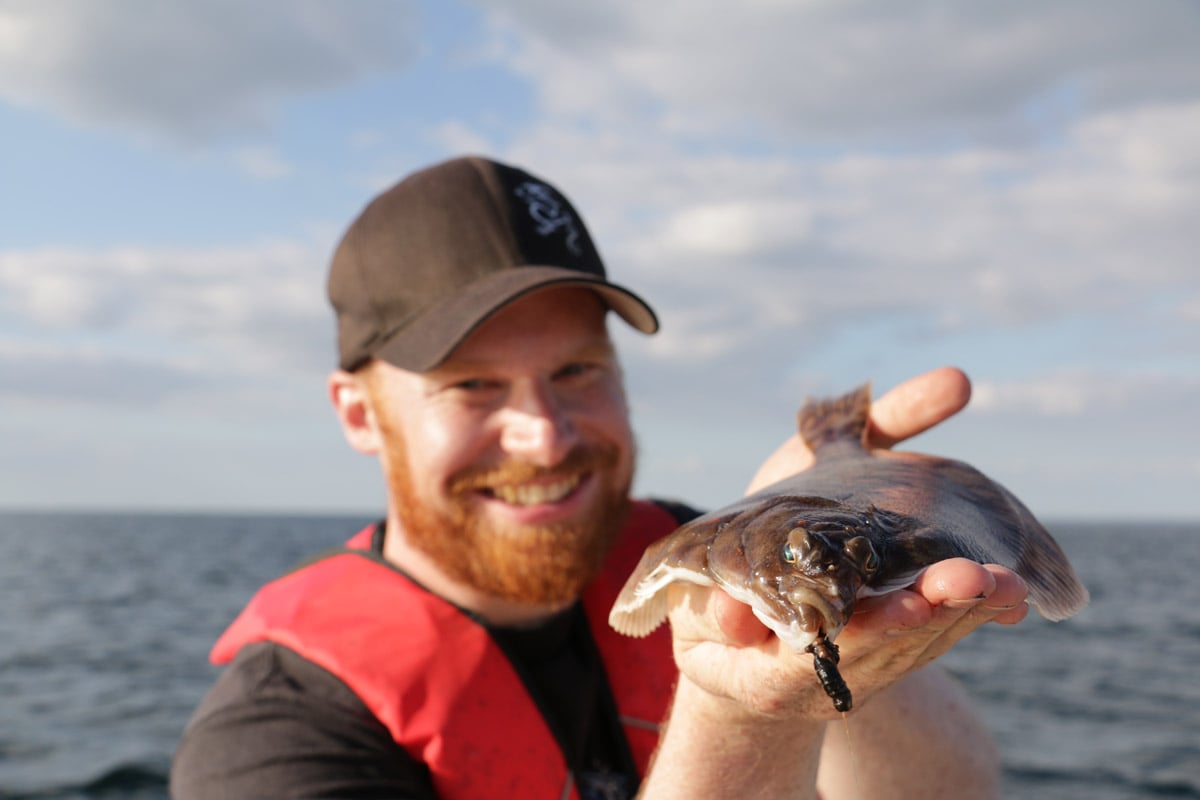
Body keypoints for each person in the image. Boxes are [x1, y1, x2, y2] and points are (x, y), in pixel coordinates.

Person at [170, 156, 1029, 800]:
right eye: (472, 386)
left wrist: (824, 535)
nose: (545, 438)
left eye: (579, 370)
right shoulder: (275, 740)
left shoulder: (703, 555)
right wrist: (740, 713)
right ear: (360, 414)